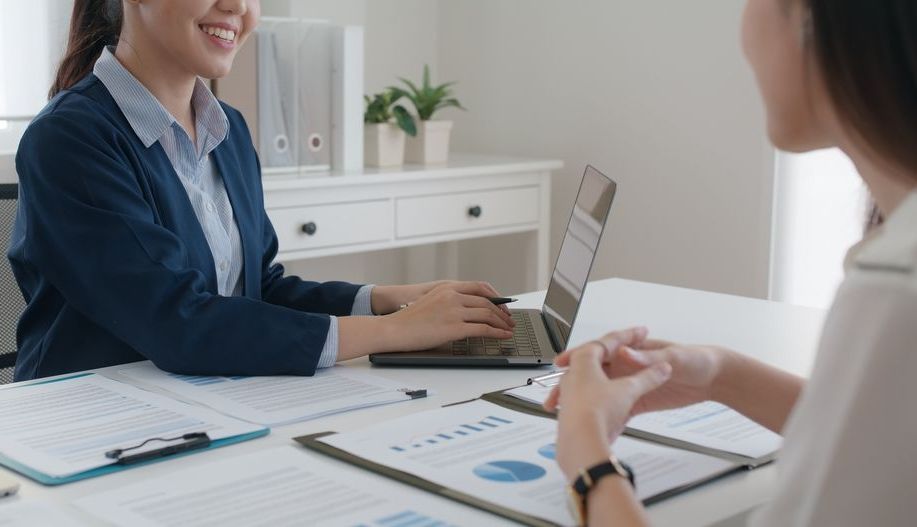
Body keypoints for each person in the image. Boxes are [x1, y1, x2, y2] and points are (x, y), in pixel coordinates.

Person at [547, 0, 917, 525]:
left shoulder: (895, 287)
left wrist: (587, 462)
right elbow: (888, 436)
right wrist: (721, 375)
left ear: (815, 18)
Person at [8, 0, 514, 381]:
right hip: (93, 421)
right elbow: (177, 322)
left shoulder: (227, 129)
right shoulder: (69, 139)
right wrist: (396, 333)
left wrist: (387, 300)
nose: (239, 9)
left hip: (202, 401)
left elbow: (256, 289)